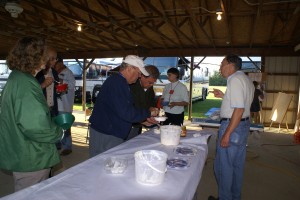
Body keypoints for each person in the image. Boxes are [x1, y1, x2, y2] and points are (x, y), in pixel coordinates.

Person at [0, 37, 63, 192]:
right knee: (31, 194)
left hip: (23, 150)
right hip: (32, 156)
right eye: (44, 55)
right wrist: (58, 132)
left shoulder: (17, 77)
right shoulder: (25, 84)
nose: (47, 59)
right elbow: (35, 127)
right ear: (35, 58)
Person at [88, 55, 158, 157]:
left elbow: (122, 110)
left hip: (109, 131)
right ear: (129, 69)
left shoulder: (120, 82)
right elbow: (126, 112)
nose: (139, 76)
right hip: (106, 133)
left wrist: (142, 120)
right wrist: (148, 112)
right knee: (102, 165)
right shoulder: (117, 83)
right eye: (139, 73)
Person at [209, 54, 254, 200]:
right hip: (243, 126)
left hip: (232, 127)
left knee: (223, 168)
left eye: (222, 64)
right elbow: (242, 103)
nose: (220, 68)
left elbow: (239, 109)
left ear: (230, 65)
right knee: (236, 167)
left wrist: (227, 134)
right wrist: (224, 96)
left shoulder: (234, 80)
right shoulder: (246, 79)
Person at [126, 65, 160, 140]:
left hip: (138, 124)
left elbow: (151, 103)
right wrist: (143, 120)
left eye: (153, 83)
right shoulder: (131, 87)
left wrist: (152, 108)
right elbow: (129, 110)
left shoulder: (150, 88)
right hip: (127, 126)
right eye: (149, 82)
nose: (151, 85)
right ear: (142, 76)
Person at [53, 58, 76, 156]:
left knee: (65, 126)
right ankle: (57, 144)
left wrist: (61, 82)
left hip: (65, 105)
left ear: (61, 63)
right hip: (55, 105)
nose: (55, 66)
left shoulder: (68, 73)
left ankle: (68, 147)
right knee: (55, 125)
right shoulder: (53, 72)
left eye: (56, 64)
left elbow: (72, 85)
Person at [35, 47, 60, 118]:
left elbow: (54, 92)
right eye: (52, 59)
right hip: (40, 111)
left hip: (53, 110)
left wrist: (59, 91)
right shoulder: (36, 73)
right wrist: (43, 85)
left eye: (55, 58)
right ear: (44, 58)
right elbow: (29, 92)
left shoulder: (54, 72)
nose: (55, 61)